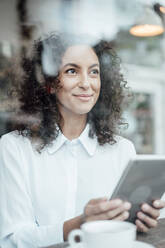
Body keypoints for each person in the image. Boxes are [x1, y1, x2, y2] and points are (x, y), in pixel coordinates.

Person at [0, 33, 165, 248]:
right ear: (49, 82)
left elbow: (124, 233)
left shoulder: (122, 150)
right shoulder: (14, 148)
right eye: (72, 71)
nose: (87, 83)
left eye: (94, 72)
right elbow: (11, 241)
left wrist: (140, 221)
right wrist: (80, 225)